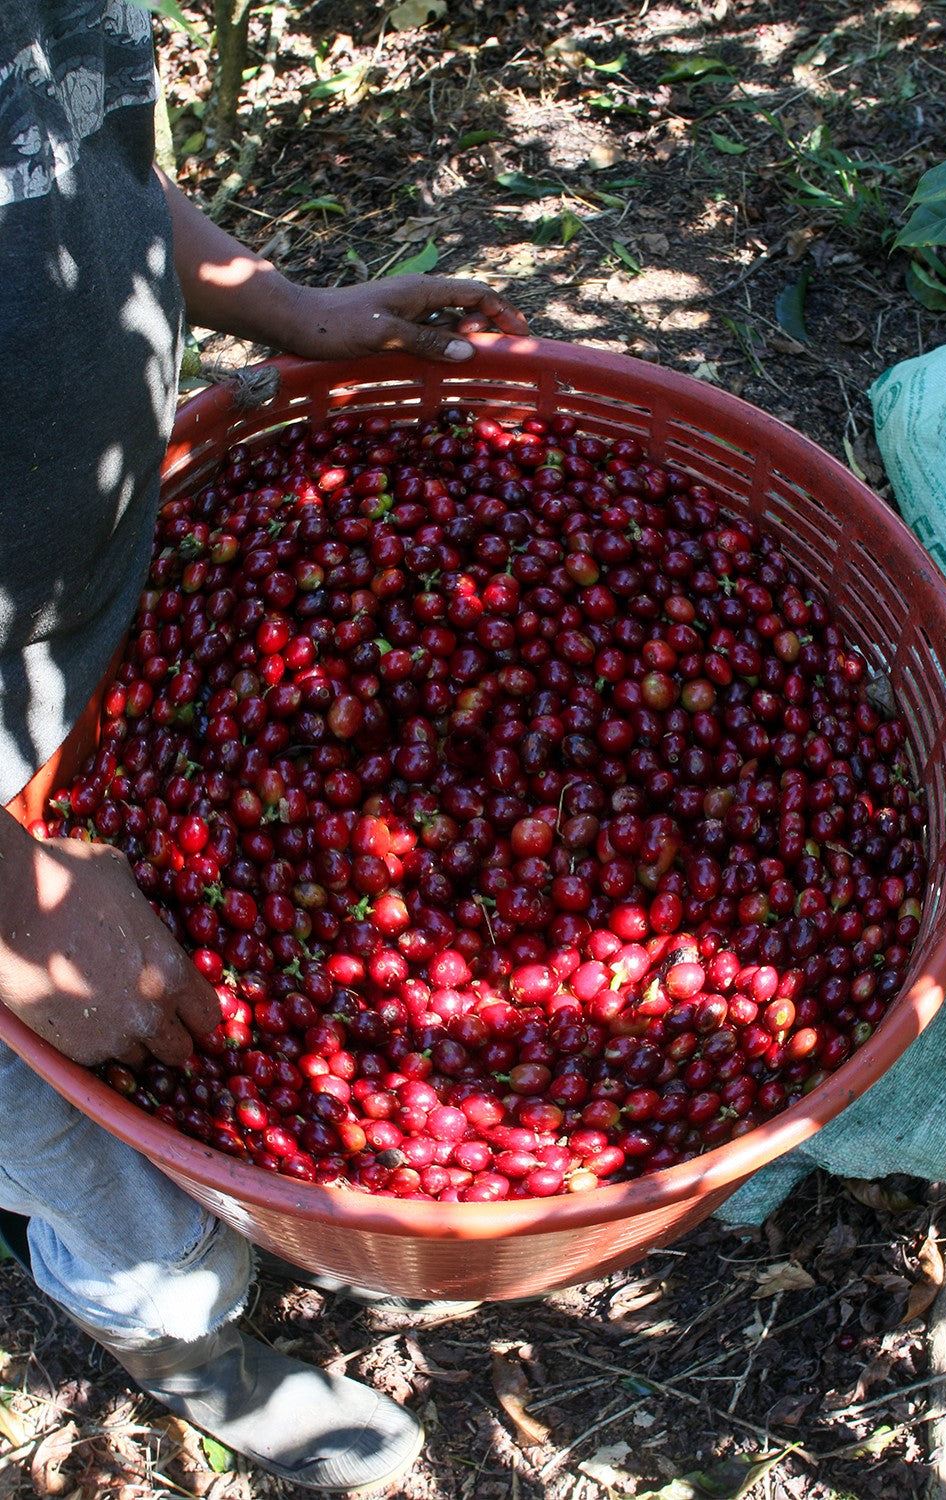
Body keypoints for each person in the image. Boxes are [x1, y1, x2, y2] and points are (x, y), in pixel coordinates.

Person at [0, 3, 528, 1491]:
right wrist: (14, 895)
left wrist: (287, 307)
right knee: (79, 1141)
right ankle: (176, 1331)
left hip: (74, 616)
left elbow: (69, 161)